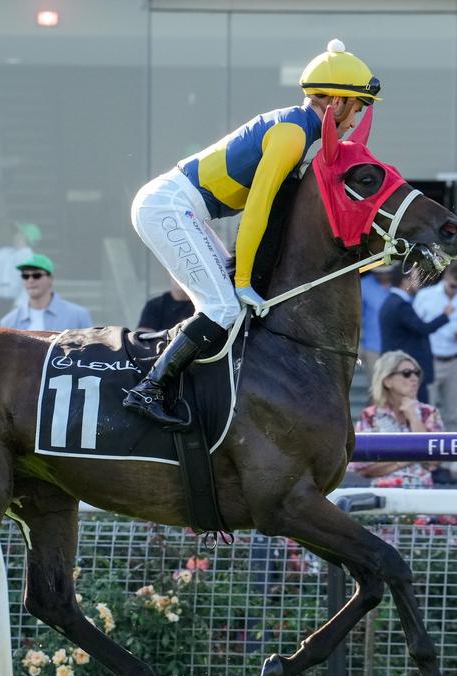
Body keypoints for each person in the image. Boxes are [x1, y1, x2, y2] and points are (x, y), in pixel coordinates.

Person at [123, 39, 380, 427]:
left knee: (227, 304)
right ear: (336, 103)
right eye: (357, 107)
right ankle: (150, 389)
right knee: (224, 305)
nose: (357, 119)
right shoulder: (292, 135)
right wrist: (244, 277)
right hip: (167, 206)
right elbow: (258, 209)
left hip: (182, 208)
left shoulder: (301, 131)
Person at [347, 351, 443, 489]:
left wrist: (414, 417)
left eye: (416, 373)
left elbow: (434, 460)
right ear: (387, 381)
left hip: (423, 495)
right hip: (384, 497)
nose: (414, 378)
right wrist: (409, 457)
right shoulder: (370, 416)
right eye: (406, 373)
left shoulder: (429, 413)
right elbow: (363, 469)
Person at [413, 261, 457, 430]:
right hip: (431, 360)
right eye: (453, 285)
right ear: (445, 277)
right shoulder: (426, 296)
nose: (455, 290)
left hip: (456, 361)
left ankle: (448, 456)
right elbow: (414, 326)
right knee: (427, 412)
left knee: (452, 415)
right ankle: (427, 455)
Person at [379, 263, 452, 404]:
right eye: (416, 277)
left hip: (402, 370)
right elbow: (423, 328)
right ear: (405, 281)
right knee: (416, 414)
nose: (419, 281)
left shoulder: (393, 302)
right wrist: (445, 315)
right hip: (405, 373)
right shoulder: (400, 305)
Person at [0, 254, 92, 331]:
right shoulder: (8, 322)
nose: (30, 280)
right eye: (25, 276)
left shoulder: (78, 316)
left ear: (50, 279)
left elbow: (91, 352)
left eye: (36, 275)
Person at [0, 222, 40, 317]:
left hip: (15, 304)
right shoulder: (3, 251)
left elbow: (29, 286)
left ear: (28, 239)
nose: (17, 236)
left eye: (21, 235)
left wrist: (17, 306)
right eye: (18, 234)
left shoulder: (32, 260)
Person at [358, 263, 396, 374]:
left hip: (400, 346)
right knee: (376, 388)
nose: (382, 274)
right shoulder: (364, 285)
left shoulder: (402, 282)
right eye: (378, 271)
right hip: (373, 348)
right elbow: (357, 317)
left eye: (386, 271)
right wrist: (358, 346)